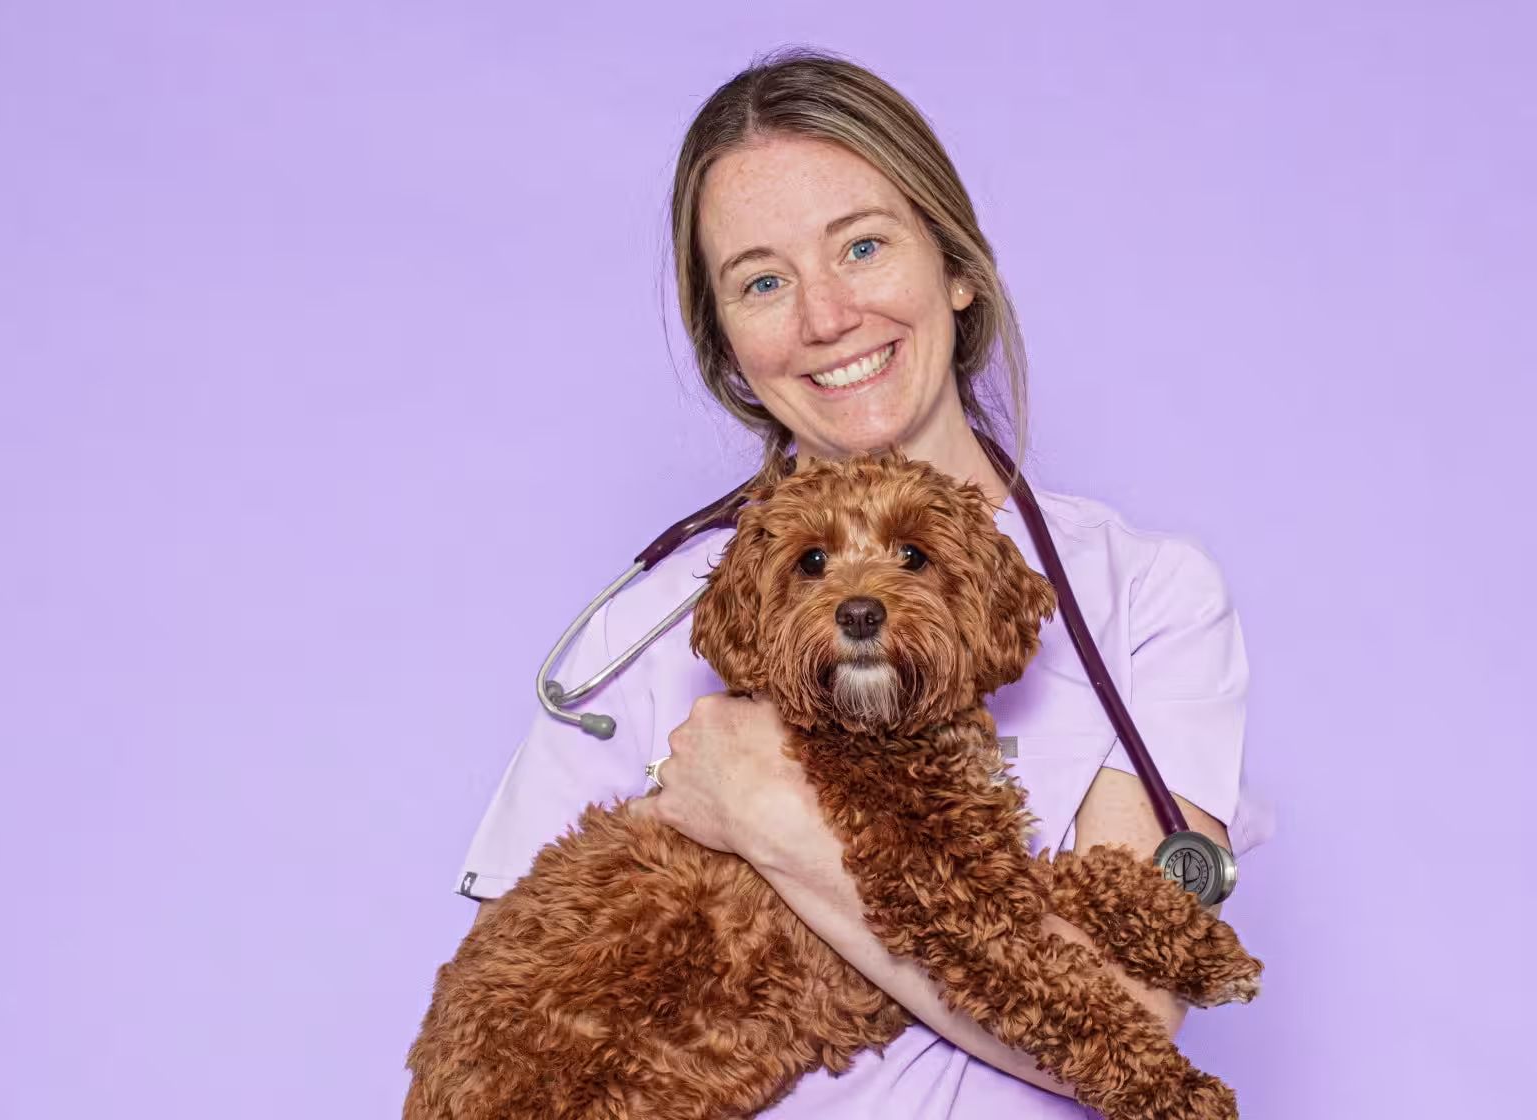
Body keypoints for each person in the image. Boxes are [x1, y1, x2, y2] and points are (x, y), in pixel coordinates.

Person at [447, 48, 1269, 1117]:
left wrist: (771, 815)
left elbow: (1122, 1006)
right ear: (728, 347)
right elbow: (519, 1021)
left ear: (956, 267)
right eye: (760, 281)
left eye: (862, 246)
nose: (825, 315)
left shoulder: (1146, 594)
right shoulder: (647, 626)